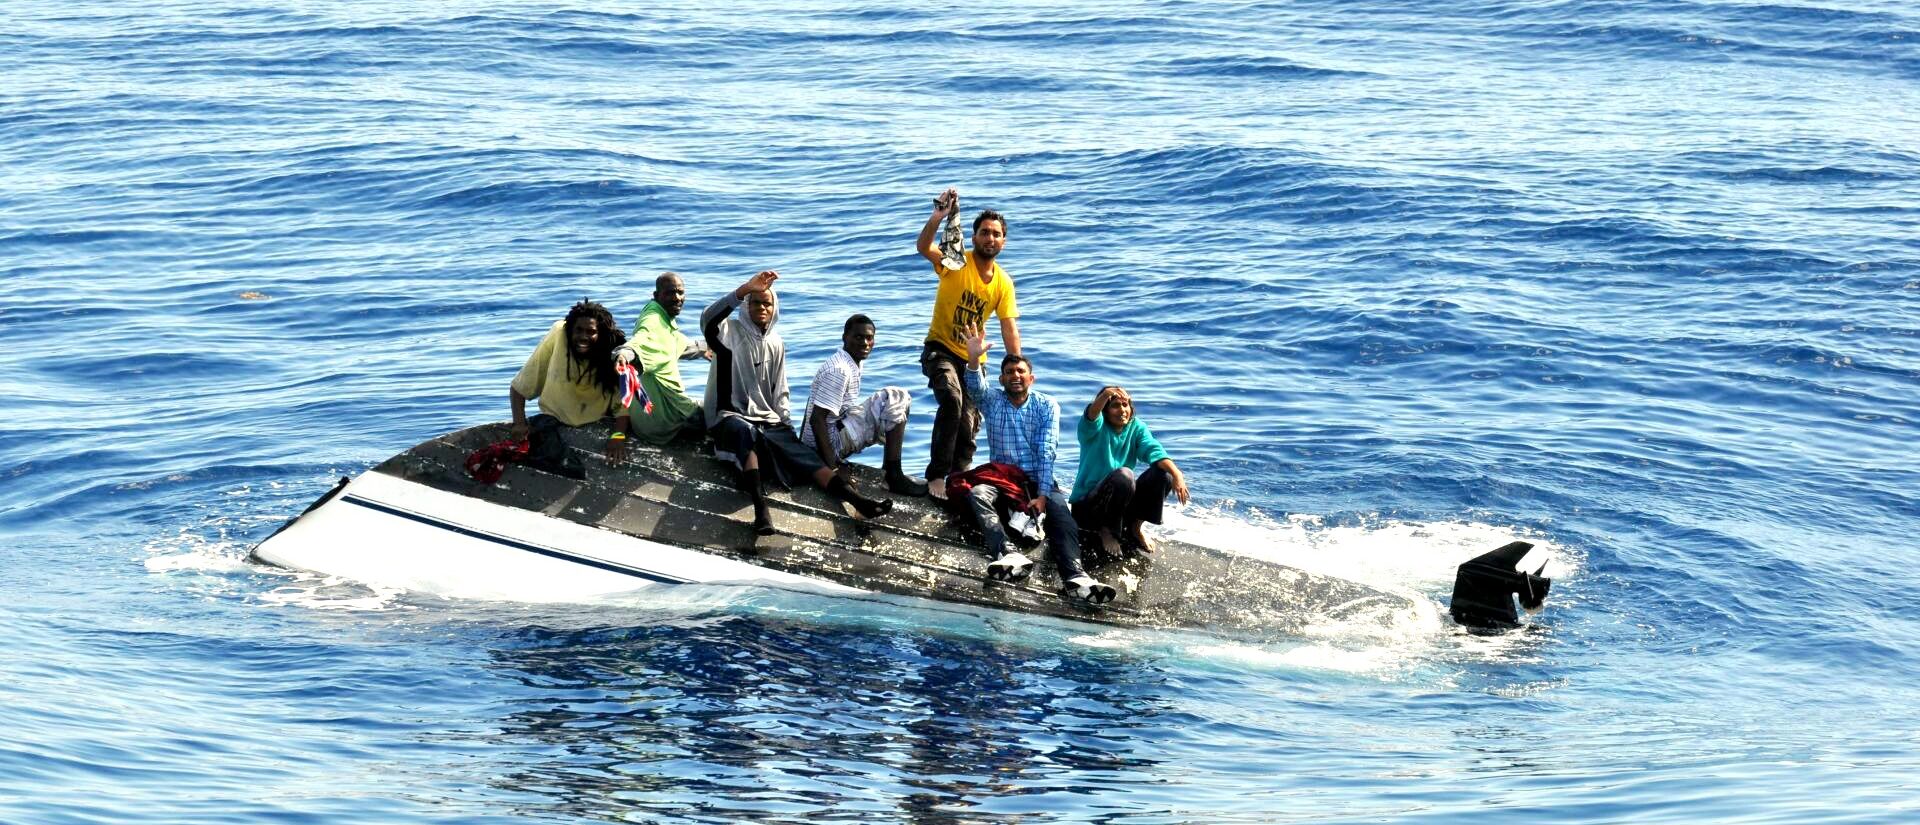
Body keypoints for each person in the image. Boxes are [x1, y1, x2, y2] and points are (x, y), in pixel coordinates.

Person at [702, 270, 893, 535]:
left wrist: (785, 425)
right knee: (745, 434)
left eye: (767, 303)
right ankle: (761, 511)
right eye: (755, 302)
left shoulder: (776, 343)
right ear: (747, 306)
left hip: (767, 421)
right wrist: (743, 290)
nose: (761, 308)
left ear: (774, 308)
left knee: (805, 456)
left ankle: (859, 501)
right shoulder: (728, 332)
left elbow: (780, 391)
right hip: (728, 416)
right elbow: (707, 320)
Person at [958, 326, 1115, 604]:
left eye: (1020, 372)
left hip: (1037, 479)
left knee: (1061, 515)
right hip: (1002, 478)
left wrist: (1042, 494)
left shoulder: (1047, 405)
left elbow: (1047, 451)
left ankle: (1076, 579)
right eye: (1009, 372)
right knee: (977, 494)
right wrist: (973, 359)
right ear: (1001, 378)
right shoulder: (993, 400)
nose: (1015, 376)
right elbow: (974, 388)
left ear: (1031, 378)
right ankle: (1006, 553)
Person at [915, 187, 1021, 499]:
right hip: (940, 348)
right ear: (974, 237)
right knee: (951, 398)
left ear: (1004, 241)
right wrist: (938, 218)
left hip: (974, 360)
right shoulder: (956, 262)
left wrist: (1017, 368)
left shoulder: (1003, 283)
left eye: (997, 234)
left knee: (969, 423)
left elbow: (1008, 326)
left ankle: (957, 480)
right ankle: (936, 476)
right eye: (985, 232)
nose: (990, 238)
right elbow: (923, 247)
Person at [803, 314, 929, 497]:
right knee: (896, 397)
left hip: (832, 432)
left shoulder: (850, 362)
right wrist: (832, 469)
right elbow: (816, 420)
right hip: (825, 444)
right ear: (844, 337)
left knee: (891, 399)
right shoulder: (839, 370)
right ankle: (893, 475)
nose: (865, 343)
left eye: (869, 338)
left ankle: (890, 470)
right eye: (858, 337)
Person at [509, 299, 634, 477]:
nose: (583, 337)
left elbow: (624, 405)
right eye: (579, 330)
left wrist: (617, 437)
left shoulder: (612, 350)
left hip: (597, 424)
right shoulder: (559, 333)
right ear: (570, 329)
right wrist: (519, 424)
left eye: (591, 332)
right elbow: (519, 387)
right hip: (554, 420)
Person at [1069, 386, 1190, 558]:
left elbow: (1153, 450)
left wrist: (1178, 475)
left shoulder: (1136, 427)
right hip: (1088, 508)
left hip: (1118, 506)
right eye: (1115, 406)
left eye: (1125, 405)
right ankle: (1107, 531)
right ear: (1105, 411)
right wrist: (1105, 395)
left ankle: (1135, 527)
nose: (1122, 410)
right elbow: (1091, 416)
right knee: (1125, 475)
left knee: (1164, 475)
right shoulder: (1094, 428)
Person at [613, 272, 710, 445]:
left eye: (680, 292)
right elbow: (640, 342)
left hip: (646, 421)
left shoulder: (660, 318)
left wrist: (705, 348)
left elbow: (679, 343)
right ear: (657, 295)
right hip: (668, 420)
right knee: (722, 412)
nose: (677, 298)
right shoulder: (653, 322)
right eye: (670, 293)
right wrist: (623, 354)